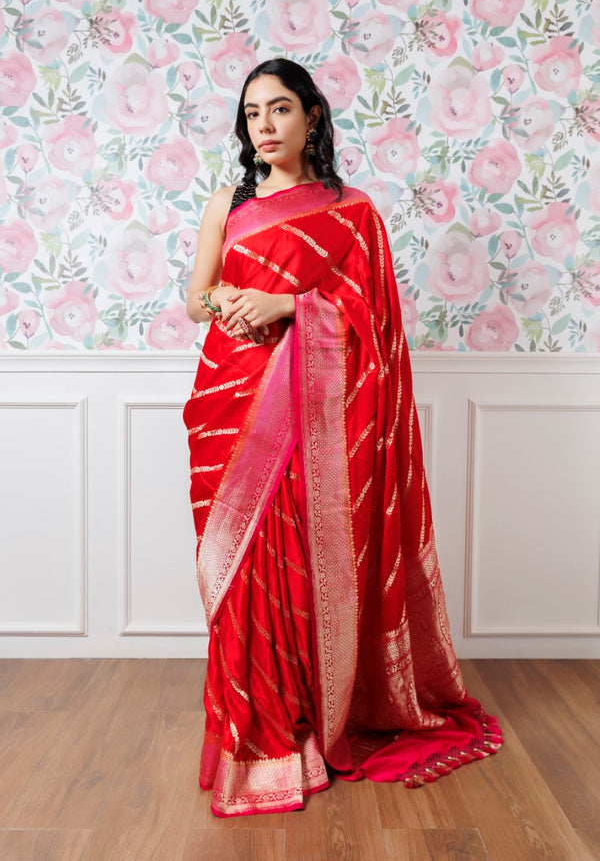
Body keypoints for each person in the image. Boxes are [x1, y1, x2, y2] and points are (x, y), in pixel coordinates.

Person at [183, 58, 502, 818]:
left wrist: (285, 302)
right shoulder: (227, 203)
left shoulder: (352, 211)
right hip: (228, 403)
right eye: (253, 112)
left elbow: (374, 319)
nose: (264, 124)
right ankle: (254, 725)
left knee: (298, 565)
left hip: (308, 412)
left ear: (313, 118)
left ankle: (306, 718)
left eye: (281, 108)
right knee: (242, 573)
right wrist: (227, 297)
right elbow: (195, 299)